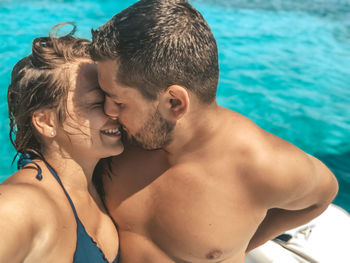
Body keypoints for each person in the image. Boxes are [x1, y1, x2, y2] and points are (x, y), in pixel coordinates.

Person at [91, 0, 339, 262]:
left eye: (119, 102)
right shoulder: (119, 142)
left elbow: (323, 195)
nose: (108, 112)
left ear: (174, 103)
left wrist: (243, 244)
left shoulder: (260, 166)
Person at [1, 24, 121, 263]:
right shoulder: (18, 207)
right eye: (98, 104)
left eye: (115, 98)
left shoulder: (106, 183)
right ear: (46, 122)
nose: (114, 111)